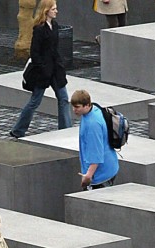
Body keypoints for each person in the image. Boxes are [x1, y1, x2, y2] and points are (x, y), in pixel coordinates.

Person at [9, 0, 72, 139]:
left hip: (55, 70)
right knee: (34, 102)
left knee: (64, 99)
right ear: (46, 10)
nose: (56, 11)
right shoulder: (39, 29)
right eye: (54, 9)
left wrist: (60, 66)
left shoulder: (54, 26)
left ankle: (65, 130)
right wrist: (43, 68)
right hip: (43, 72)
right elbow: (35, 53)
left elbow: (55, 49)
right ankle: (18, 130)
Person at [71, 89, 120, 190]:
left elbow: (96, 153)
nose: (74, 110)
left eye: (77, 107)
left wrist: (88, 176)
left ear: (87, 105)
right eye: (73, 106)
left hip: (100, 175)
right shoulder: (94, 110)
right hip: (109, 167)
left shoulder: (92, 125)